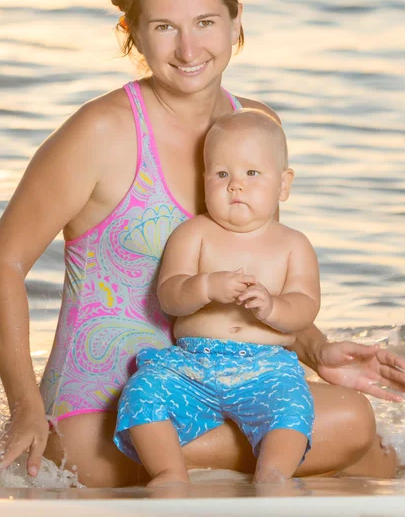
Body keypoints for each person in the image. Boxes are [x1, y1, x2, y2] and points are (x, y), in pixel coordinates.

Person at [0, 0, 405, 487]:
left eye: (205, 21)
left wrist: (315, 347)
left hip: (231, 387)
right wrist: (22, 407)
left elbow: (252, 274)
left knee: (358, 435)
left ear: (235, 22)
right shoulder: (101, 132)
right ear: (132, 32)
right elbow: (3, 263)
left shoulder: (253, 126)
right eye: (164, 27)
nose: (188, 49)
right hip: (109, 415)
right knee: (352, 435)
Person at [114, 109, 317, 486]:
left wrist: (273, 307)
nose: (235, 186)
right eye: (222, 174)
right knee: (142, 390)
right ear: (204, 180)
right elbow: (169, 297)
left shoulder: (293, 245)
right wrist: (204, 287)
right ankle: (168, 472)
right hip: (192, 364)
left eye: (252, 173)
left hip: (268, 367)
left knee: (293, 406)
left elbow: (305, 307)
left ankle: (273, 475)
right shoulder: (194, 234)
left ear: (284, 184)